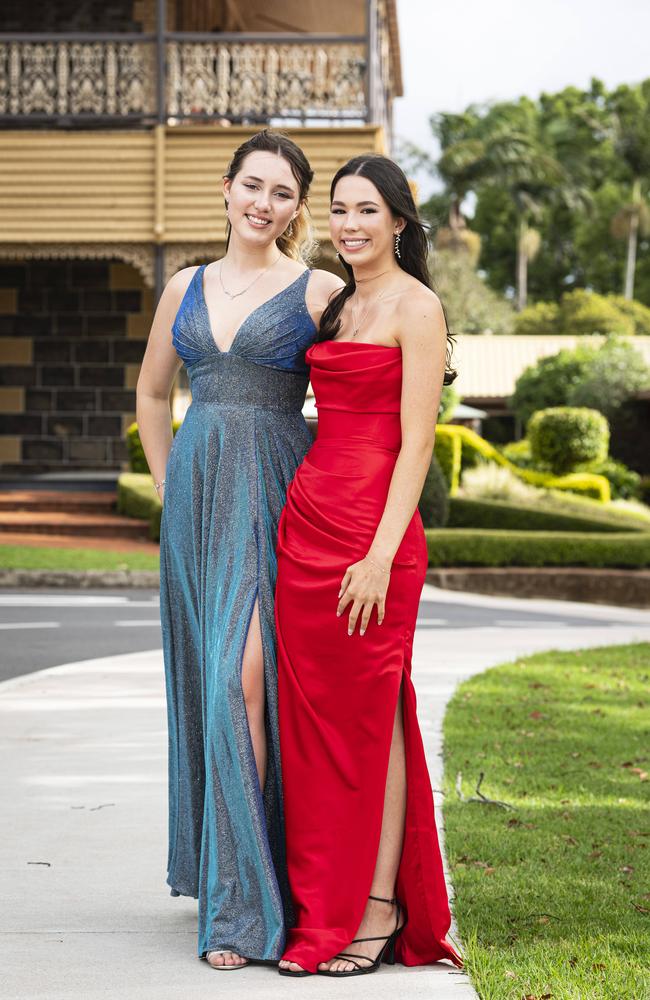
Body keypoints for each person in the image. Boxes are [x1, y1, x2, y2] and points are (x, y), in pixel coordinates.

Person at [136, 129, 342, 970]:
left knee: (241, 679)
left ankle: (245, 905)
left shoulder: (320, 288)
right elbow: (154, 390)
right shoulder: (183, 284)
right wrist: (164, 481)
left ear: (297, 209)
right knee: (212, 682)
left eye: (283, 192)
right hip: (194, 503)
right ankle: (231, 882)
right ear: (226, 189)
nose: (264, 203)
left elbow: (364, 393)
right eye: (252, 185)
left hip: (276, 494)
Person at [276, 153, 463, 977]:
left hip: (372, 539)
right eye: (341, 210)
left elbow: (416, 443)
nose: (351, 225)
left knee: (372, 718)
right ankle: (322, 906)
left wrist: (381, 556)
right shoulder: (340, 305)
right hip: (307, 524)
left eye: (368, 211)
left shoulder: (417, 306)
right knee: (314, 730)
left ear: (398, 220)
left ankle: (379, 908)